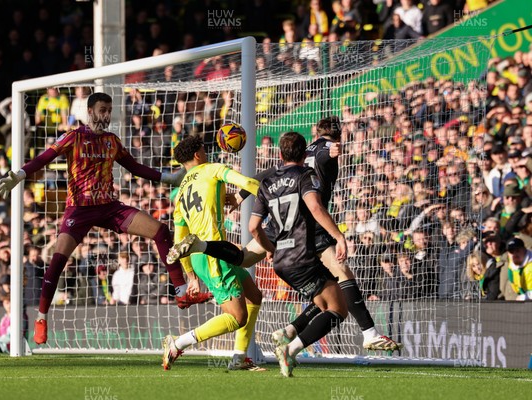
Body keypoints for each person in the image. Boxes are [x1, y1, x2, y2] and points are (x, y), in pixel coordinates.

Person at [168, 117, 402, 351]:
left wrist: (239, 196)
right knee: (341, 276)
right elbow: (321, 161)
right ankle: (369, 333)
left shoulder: (295, 157)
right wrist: (332, 151)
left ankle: (286, 331)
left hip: (275, 228)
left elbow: (263, 176)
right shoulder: (320, 151)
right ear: (336, 136)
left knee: (244, 258)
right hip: (305, 228)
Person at [0, 92, 210, 345]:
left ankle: (182, 292)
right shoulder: (73, 137)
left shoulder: (112, 141)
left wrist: (167, 178)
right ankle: (42, 317)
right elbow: (45, 158)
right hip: (79, 209)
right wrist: (20, 174)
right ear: (90, 111)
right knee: (57, 260)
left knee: (161, 231)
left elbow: (135, 168)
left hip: (110, 207)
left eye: (109, 110)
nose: (106, 115)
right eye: (102, 109)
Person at [248, 131, 348, 377]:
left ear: (280, 155)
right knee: (338, 310)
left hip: (282, 260)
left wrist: (270, 250)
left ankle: (289, 332)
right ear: (305, 155)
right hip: (301, 255)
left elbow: (253, 227)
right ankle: (290, 349)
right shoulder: (305, 174)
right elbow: (315, 207)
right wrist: (339, 236)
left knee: (326, 295)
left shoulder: (267, 182)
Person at [162, 135, 265, 372]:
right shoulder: (213, 169)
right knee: (237, 317)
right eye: (204, 150)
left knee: (254, 296)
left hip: (199, 257)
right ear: (198, 154)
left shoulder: (180, 193)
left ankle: (240, 358)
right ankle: (177, 344)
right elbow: (248, 183)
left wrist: (190, 276)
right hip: (215, 255)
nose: (207, 154)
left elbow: (180, 239)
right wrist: (272, 199)